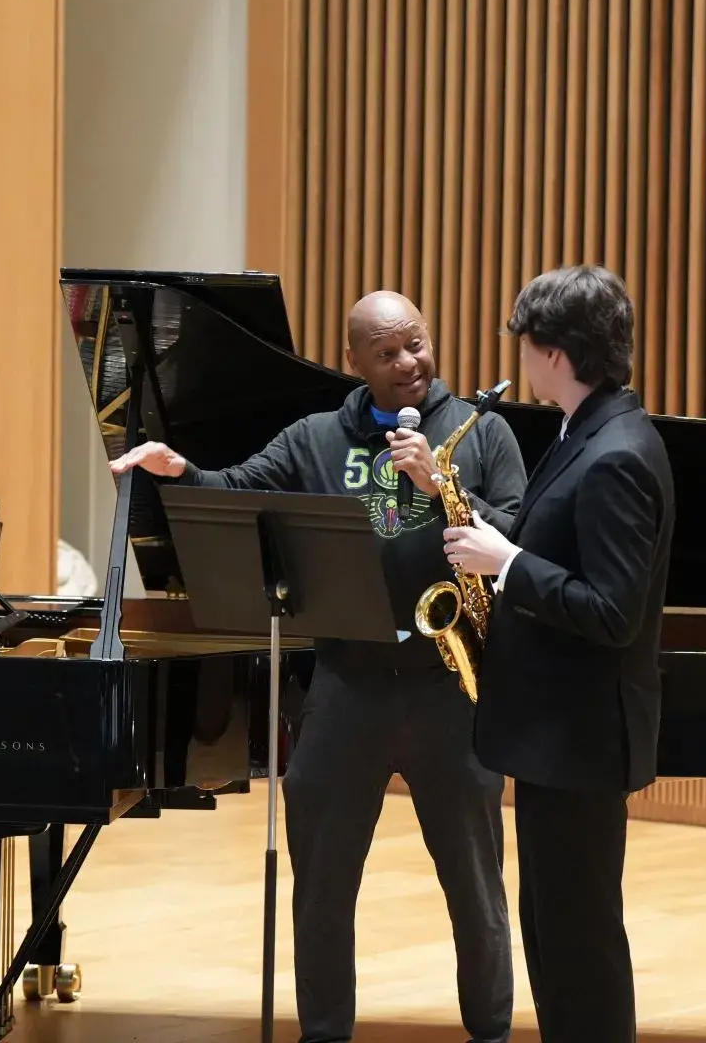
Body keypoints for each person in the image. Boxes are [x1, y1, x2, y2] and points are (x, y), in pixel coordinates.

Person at [109, 291, 527, 1043]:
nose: (409, 364)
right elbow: (237, 491)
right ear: (354, 362)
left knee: (474, 886)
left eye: (417, 345)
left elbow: (519, 534)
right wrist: (181, 471)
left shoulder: (482, 432)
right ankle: (324, 1032)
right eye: (388, 353)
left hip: (448, 685)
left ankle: (491, 1032)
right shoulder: (312, 438)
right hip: (346, 685)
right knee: (323, 889)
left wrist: (442, 489)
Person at [442, 265, 675, 1043]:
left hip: (579, 742)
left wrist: (504, 566)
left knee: (580, 944)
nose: (520, 353)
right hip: (553, 739)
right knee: (551, 933)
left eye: (526, 341)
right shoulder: (586, 430)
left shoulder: (615, 455)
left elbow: (611, 611)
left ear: (553, 351)